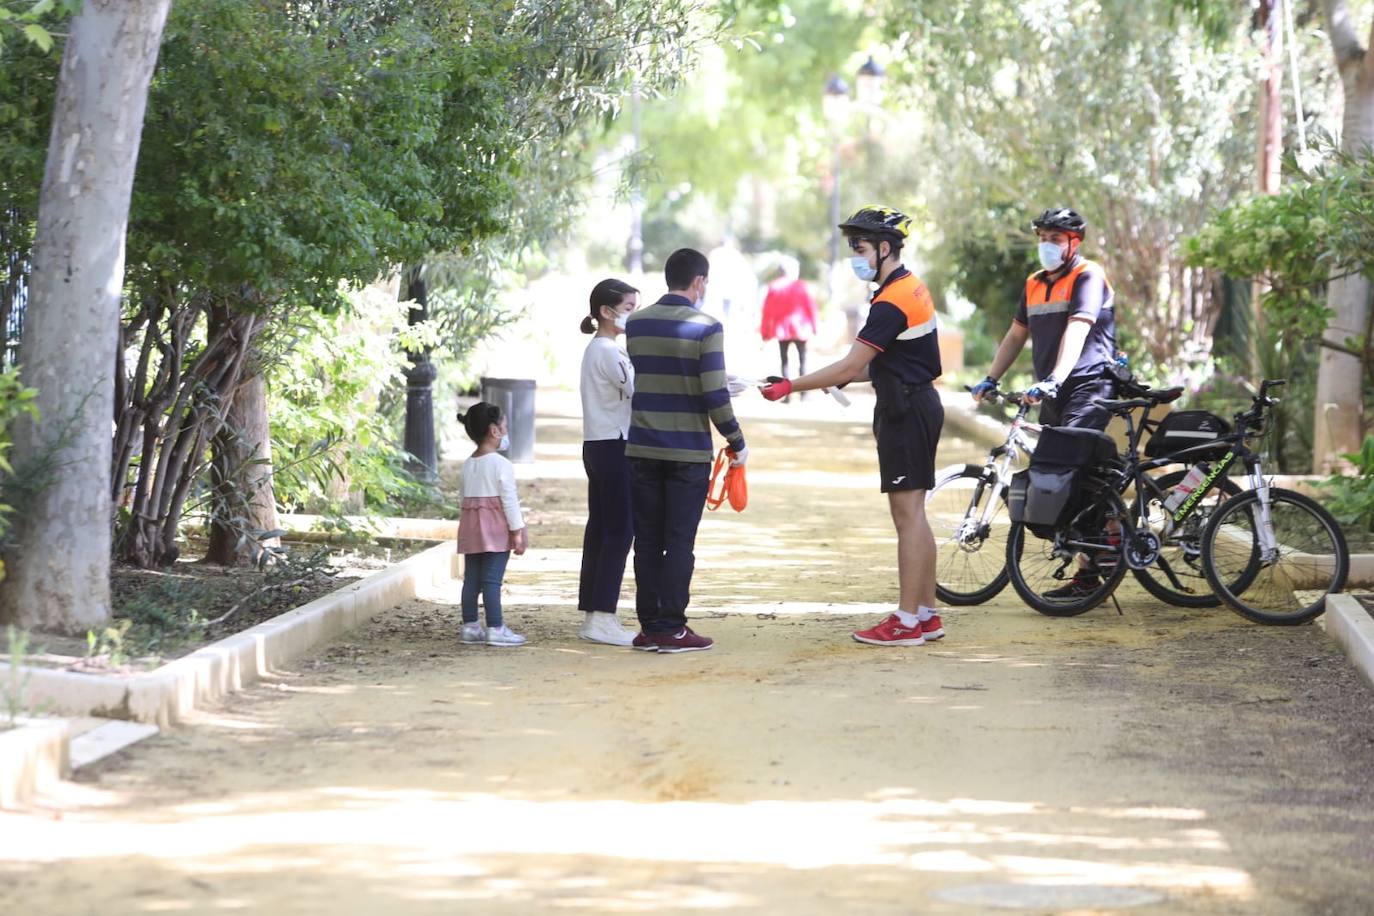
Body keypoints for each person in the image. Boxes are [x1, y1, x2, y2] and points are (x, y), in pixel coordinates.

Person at [761, 205, 945, 648]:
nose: (855, 257)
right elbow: (879, 365)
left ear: (885, 248)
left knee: (907, 517)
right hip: (917, 402)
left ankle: (905, 621)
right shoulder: (909, 287)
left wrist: (791, 385)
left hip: (906, 411)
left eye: (860, 248)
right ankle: (925, 614)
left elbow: (854, 362)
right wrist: (838, 377)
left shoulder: (891, 301)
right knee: (916, 514)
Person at [969, 207, 1117, 598]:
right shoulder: (1034, 283)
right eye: (1043, 238)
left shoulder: (1088, 275)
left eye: (1055, 238)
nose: (1047, 245)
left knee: (1076, 473)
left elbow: (1078, 329)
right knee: (1057, 471)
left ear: (1074, 242)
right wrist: (992, 377)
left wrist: (1054, 378)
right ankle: (1100, 544)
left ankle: (1089, 572)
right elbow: (1015, 336)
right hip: (1054, 389)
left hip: (1090, 384)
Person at [624, 247, 748, 653]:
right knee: (678, 542)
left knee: (645, 541)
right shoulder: (707, 327)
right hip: (687, 453)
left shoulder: (637, 324)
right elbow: (712, 393)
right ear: (699, 282)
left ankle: (649, 627)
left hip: (642, 447)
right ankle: (673, 627)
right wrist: (736, 439)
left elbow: (661, 375)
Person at [576, 278, 640, 647]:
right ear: (606, 311)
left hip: (598, 444)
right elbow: (640, 390)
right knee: (619, 530)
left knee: (602, 529)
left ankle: (596, 614)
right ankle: (602, 615)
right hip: (614, 445)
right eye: (629, 308)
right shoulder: (607, 351)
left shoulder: (600, 349)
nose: (632, 316)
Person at [455, 402, 529, 647]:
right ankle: (495, 628)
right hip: (496, 530)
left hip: (471, 528)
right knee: (492, 581)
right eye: (504, 427)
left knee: (471, 580)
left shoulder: (467, 464)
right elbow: (509, 501)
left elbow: (464, 498)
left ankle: (470, 626)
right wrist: (517, 531)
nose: (506, 432)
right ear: (494, 431)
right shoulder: (501, 465)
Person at [759, 256, 818, 399]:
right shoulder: (801, 285)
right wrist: (815, 327)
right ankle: (805, 393)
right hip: (800, 329)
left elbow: (767, 311)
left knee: (784, 361)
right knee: (803, 361)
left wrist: (765, 332)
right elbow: (811, 307)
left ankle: (786, 394)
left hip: (782, 330)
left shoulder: (774, 286)